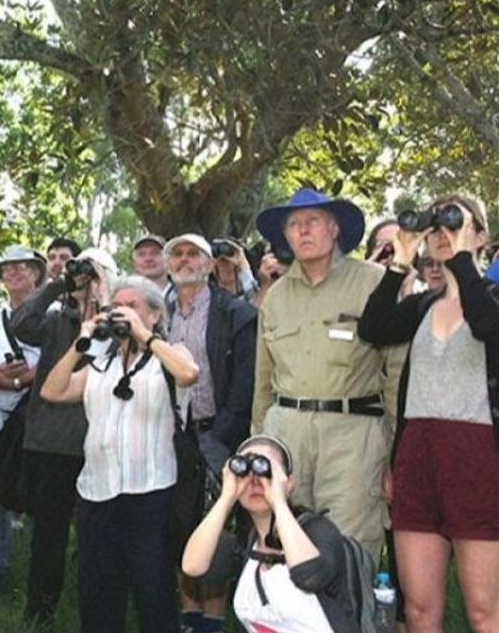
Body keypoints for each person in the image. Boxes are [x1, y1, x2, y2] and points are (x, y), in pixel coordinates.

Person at [358, 194, 499, 632]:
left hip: (477, 459)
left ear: (480, 236)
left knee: (484, 610)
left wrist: (461, 261)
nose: (441, 234)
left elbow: (486, 326)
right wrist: (399, 263)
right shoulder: (422, 306)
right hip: (418, 455)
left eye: (454, 224)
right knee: (418, 609)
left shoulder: (490, 300)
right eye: (435, 227)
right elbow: (373, 329)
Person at [40, 275, 200, 633]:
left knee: (153, 590)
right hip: (96, 492)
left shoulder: (171, 353)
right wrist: (83, 341)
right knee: (97, 591)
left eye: (133, 305)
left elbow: (189, 374)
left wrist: (144, 336)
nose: (122, 312)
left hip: (151, 493)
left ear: (156, 314)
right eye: (116, 306)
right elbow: (52, 390)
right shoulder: (100, 361)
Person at [252, 188, 395, 556]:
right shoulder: (275, 296)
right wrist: (260, 446)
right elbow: (263, 382)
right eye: (293, 225)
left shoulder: (375, 282)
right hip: (287, 432)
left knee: (351, 547)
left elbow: (395, 374)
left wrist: (395, 453)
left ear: (334, 229)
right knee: (286, 542)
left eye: (312, 221)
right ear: (284, 236)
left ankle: (351, 616)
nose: (303, 231)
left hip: (353, 437)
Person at [10, 246, 117, 625]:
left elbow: (117, 348)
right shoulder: (57, 321)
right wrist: (58, 285)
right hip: (52, 443)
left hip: (100, 443)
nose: (86, 280)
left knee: (97, 534)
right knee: (48, 536)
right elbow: (20, 323)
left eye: (93, 272)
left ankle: (97, 609)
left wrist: (104, 295)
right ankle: (39, 611)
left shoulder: (119, 322)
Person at [162, 234, 258, 633]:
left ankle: (213, 622)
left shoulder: (233, 312)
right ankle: (188, 616)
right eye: (178, 254)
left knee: (215, 530)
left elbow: (246, 381)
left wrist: (221, 434)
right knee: (178, 525)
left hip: (218, 433)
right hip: (171, 437)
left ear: (209, 263)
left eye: (193, 254)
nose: (185, 260)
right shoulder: (158, 313)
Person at [181, 435, 362, 633]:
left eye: (266, 471)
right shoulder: (245, 543)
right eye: (245, 472)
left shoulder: (317, 530)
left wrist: (278, 500)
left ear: (288, 482)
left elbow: (310, 575)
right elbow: (193, 566)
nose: (256, 482)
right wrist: (227, 497)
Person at [0, 245, 44, 595]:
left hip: (34, 422)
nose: (14, 272)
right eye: (7, 268)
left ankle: (38, 577)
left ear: (36, 273)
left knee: (35, 499)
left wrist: (17, 380)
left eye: (22, 267)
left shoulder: (52, 316)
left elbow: (56, 364)